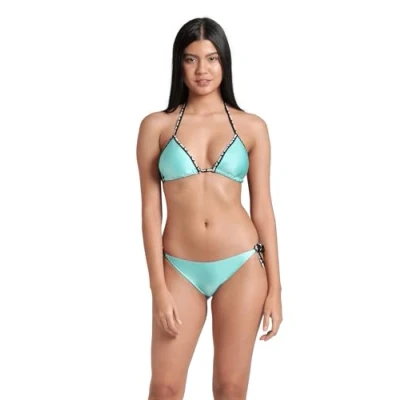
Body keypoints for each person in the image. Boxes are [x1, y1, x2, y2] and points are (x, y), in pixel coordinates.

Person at [136, 16, 283, 400]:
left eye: (212, 58)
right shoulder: (156, 126)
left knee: (230, 388)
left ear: (225, 63)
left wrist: (276, 289)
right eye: (191, 59)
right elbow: (150, 212)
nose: (202, 69)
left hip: (241, 265)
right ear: (179, 64)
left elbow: (263, 209)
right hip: (178, 267)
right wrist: (158, 289)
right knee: (165, 388)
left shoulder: (252, 127)